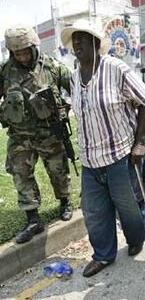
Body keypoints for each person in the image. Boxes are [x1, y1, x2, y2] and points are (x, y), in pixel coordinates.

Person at [61, 19, 145, 277]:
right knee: (94, 211)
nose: (76, 43)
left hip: (119, 156)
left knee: (128, 207)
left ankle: (136, 238)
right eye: (74, 39)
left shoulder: (116, 68)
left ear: (96, 43)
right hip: (90, 161)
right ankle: (103, 255)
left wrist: (140, 143)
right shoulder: (73, 76)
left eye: (82, 38)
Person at [0, 24, 74, 244]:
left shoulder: (52, 67)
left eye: (25, 51)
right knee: (21, 176)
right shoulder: (5, 71)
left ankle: (65, 203)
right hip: (20, 136)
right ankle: (33, 219)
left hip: (49, 134)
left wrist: (67, 105)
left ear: (34, 47)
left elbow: (77, 89)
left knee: (58, 171)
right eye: (17, 53)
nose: (21, 56)